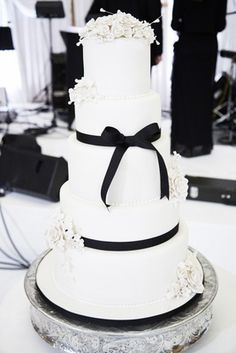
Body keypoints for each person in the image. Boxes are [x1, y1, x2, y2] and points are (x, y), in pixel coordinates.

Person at [171, 0, 227, 157]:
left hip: (187, 45)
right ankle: (200, 144)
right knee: (203, 96)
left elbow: (175, 24)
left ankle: (182, 142)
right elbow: (220, 25)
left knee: (183, 96)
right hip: (207, 47)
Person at [85, 0, 163, 66]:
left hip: (134, 50)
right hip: (116, 50)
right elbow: (155, 18)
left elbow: (90, 17)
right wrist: (158, 51)